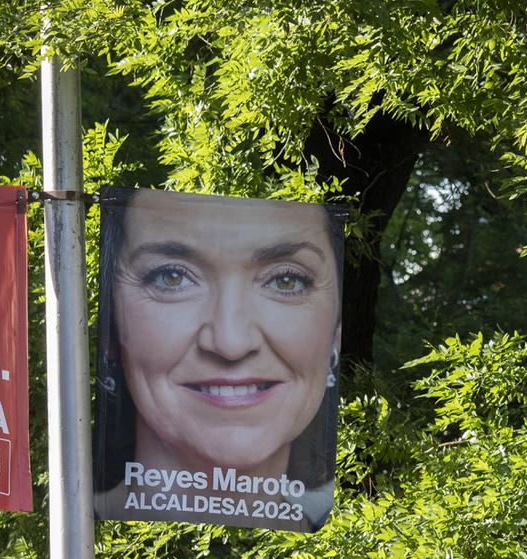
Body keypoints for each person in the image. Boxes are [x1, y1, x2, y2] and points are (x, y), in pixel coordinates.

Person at [95, 187, 343, 530]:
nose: (230, 343)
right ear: (110, 328)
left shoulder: (354, 549)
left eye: (287, 281)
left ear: (336, 332)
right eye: (172, 277)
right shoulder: (70, 549)